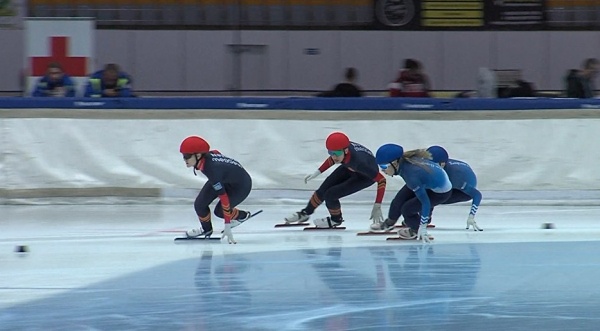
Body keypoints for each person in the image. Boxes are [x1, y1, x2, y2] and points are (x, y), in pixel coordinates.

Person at [284, 131, 387, 228]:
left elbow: (381, 179)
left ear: (346, 151)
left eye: (336, 153)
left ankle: (336, 220)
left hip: (365, 176)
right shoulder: (342, 152)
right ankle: (305, 213)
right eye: (330, 152)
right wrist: (317, 172)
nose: (333, 156)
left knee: (331, 194)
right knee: (323, 189)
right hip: (350, 167)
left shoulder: (358, 162)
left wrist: (377, 204)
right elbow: (333, 158)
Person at [179, 135, 253, 244]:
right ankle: (206, 230)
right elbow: (216, 152)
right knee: (199, 204)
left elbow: (224, 198)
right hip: (225, 179)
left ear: (198, 155)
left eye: (187, 156)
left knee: (220, 211)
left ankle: (242, 216)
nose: (185, 159)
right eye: (183, 156)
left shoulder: (212, 170)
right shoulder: (206, 159)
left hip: (241, 186)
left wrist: (227, 224)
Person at [373, 144, 451, 242]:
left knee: (407, 209)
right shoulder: (405, 163)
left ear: (395, 163)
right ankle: (389, 223)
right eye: (380, 166)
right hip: (425, 181)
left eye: (384, 166)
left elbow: (425, 203)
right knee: (398, 201)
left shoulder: (412, 175)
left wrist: (422, 227)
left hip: (440, 192)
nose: (382, 170)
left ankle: (415, 229)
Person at [427, 145, 483, 231]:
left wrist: (471, 215)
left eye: (431, 165)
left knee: (431, 195)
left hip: (462, 191)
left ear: (442, 164)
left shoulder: (456, 176)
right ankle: (425, 218)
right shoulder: (441, 166)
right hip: (455, 180)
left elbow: (477, 195)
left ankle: (424, 219)